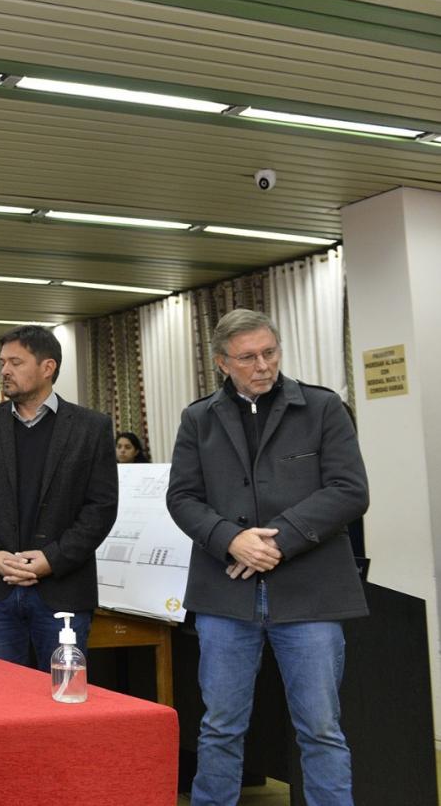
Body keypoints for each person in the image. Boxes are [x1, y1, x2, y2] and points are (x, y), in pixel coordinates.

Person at [167, 309, 368, 806]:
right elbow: (182, 497)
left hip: (311, 596)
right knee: (219, 728)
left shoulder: (323, 408)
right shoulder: (198, 418)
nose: (263, 365)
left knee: (320, 729)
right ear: (221, 362)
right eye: (248, 357)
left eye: (270, 352)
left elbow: (349, 490)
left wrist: (276, 543)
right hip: (226, 597)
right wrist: (230, 539)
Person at [0, 324, 118, 670]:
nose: (5, 371)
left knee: (62, 699)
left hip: (63, 589)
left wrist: (51, 559)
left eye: (15, 362)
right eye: (2, 363)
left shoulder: (91, 427)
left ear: (47, 367)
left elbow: (100, 508)